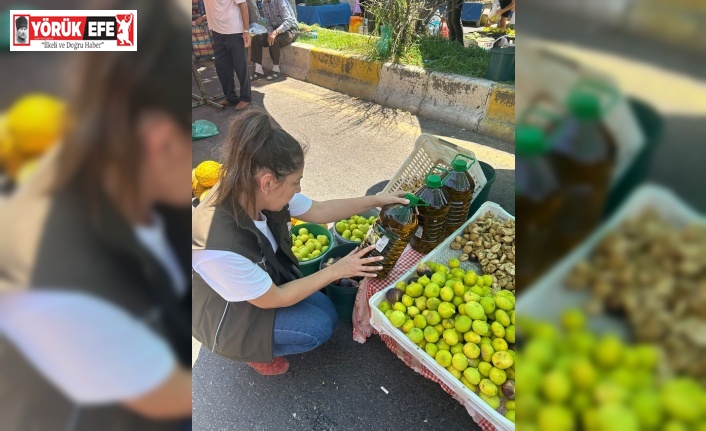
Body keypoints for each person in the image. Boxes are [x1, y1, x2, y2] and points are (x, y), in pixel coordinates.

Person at [0, 1, 192, 429]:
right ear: (161, 144)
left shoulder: (112, 157)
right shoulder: (71, 292)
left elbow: (128, 29)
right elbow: (172, 393)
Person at [192, 107, 409, 376]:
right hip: (228, 316)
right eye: (296, 182)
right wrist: (339, 269)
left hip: (258, 286)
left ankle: (261, 342)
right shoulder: (217, 247)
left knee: (328, 313)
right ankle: (252, 352)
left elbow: (318, 211)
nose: (299, 189)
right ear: (268, 182)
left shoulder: (255, 187)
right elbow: (276, 297)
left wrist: (377, 200)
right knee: (316, 328)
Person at [199, 0, 252, 109]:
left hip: (234, 31)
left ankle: (245, 98)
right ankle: (230, 97)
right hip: (217, 33)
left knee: (241, 67)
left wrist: (246, 31)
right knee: (222, 68)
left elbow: (243, 4)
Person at [250, 0, 298, 81]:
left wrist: (275, 33)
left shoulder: (280, 1)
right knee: (256, 39)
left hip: (290, 30)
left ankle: (276, 70)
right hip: (275, 30)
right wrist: (270, 32)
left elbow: (289, 21)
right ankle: (258, 71)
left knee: (274, 41)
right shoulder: (264, 3)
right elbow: (268, 22)